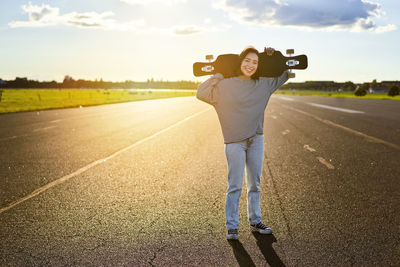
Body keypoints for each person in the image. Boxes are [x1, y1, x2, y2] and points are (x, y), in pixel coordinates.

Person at [196, 46, 289, 240]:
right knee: (235, 185)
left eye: (255, 62)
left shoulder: (263, 83)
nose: (251, 65)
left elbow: (285, 73)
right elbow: (201, 92)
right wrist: (219, 73)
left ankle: (255, 221)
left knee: (254, 184)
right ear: (240, 62)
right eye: (247, 60)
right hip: (234, 142)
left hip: (256, 138)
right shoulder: (224, 85)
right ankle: (232, 226)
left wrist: (274, 56)